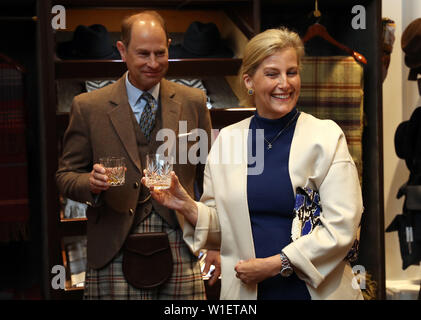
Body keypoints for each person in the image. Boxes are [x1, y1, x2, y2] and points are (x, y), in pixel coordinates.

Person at [143, 27, 364, 300]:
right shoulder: (228, 142)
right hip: (248, 294)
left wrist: (275, 264)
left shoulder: (326, 137)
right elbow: (223, 229)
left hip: (314, 292)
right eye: (272, 74)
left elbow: (343, 227)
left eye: (291, 72)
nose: (285, 83)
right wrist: (185, 204)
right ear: (249, 81)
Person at [56, 11, 218, 300]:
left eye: (160, 52)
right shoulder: (88, 106)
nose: (153, 63)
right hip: (113, 245)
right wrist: (89, 184)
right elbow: (65, 176)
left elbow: (212, 177)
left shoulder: (192, 101)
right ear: (122, 50)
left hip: (181, 239)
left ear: (169, 46)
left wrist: (216, 242)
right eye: (143, 54)